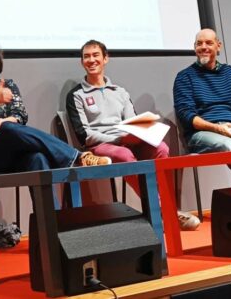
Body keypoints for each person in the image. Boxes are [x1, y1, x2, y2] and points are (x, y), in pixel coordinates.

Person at [66, 39, 200, 230]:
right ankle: (162, 210)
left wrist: (139, 132)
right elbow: (84, 135)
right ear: (82, 62)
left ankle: (166, 206)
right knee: (124, 155)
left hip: (127, 139)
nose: (91, 60)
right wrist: (119, 139)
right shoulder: (76, 95)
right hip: (100, 147)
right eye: (86, 56)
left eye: (96, 55)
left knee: (161, 148)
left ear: (106, 59)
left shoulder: (120, 92)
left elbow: (133, 122)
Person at [0, 36, 110, 176]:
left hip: (7, 154)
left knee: (37, 158)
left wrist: (6, 120)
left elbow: (20, 116)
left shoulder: (6, 84)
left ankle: (48, 215)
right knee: (7, 128)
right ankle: (78, 157)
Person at [172, 28, 231, 153]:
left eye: (209, 43)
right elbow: (186, 116)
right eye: (199, 44)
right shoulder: (184, 77)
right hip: (201, 133)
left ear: (218, 46)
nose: (203, 47)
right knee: (230, 146)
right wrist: (218, 128)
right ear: (195, 48)